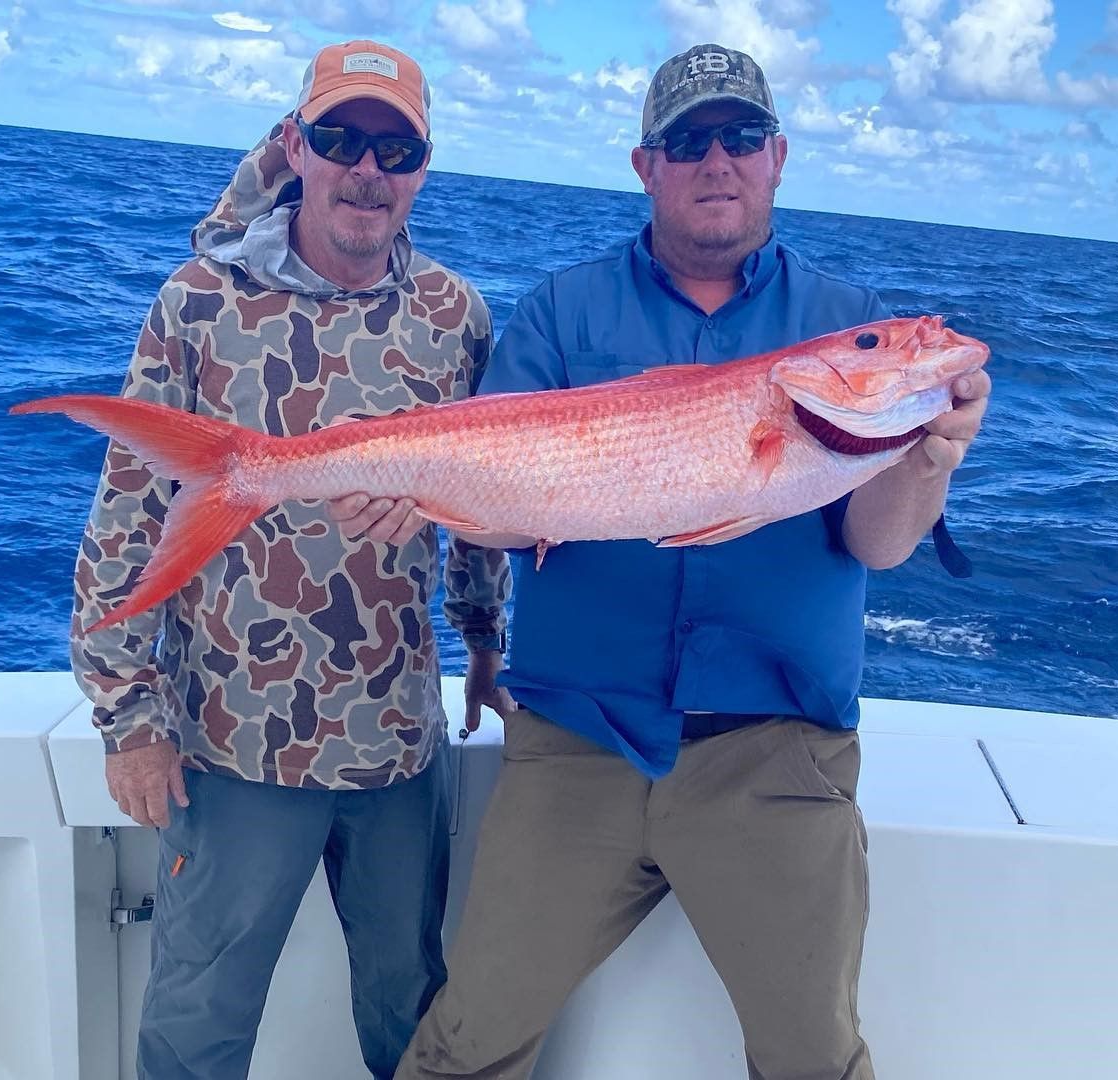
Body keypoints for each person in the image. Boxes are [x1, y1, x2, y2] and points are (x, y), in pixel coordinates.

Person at [397, 43, 991, 1080]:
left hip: (779, 752)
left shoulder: (844, 325)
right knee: (466, 1043)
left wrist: (929, 456)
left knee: (816, 1059)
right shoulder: (562, 311)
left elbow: (878, 544)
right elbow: (492, 519)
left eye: (742, 136)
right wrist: (425, 488)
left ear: (778, 158)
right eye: (689, 140)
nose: (718, 159)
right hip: (577, 740)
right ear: (647, 166)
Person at [69, 39, 513, 1080]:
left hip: (398, 741)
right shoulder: (198, 301)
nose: (369, 168)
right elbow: (128, 510)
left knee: (413, 1003)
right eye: (341, 138)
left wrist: (487, 646)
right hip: (233, 741)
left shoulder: (457, 317)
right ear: (294, 148)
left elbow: (481, 497)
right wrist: (127, 718)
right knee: (198, 1011)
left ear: (423, 168)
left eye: (396, 148)